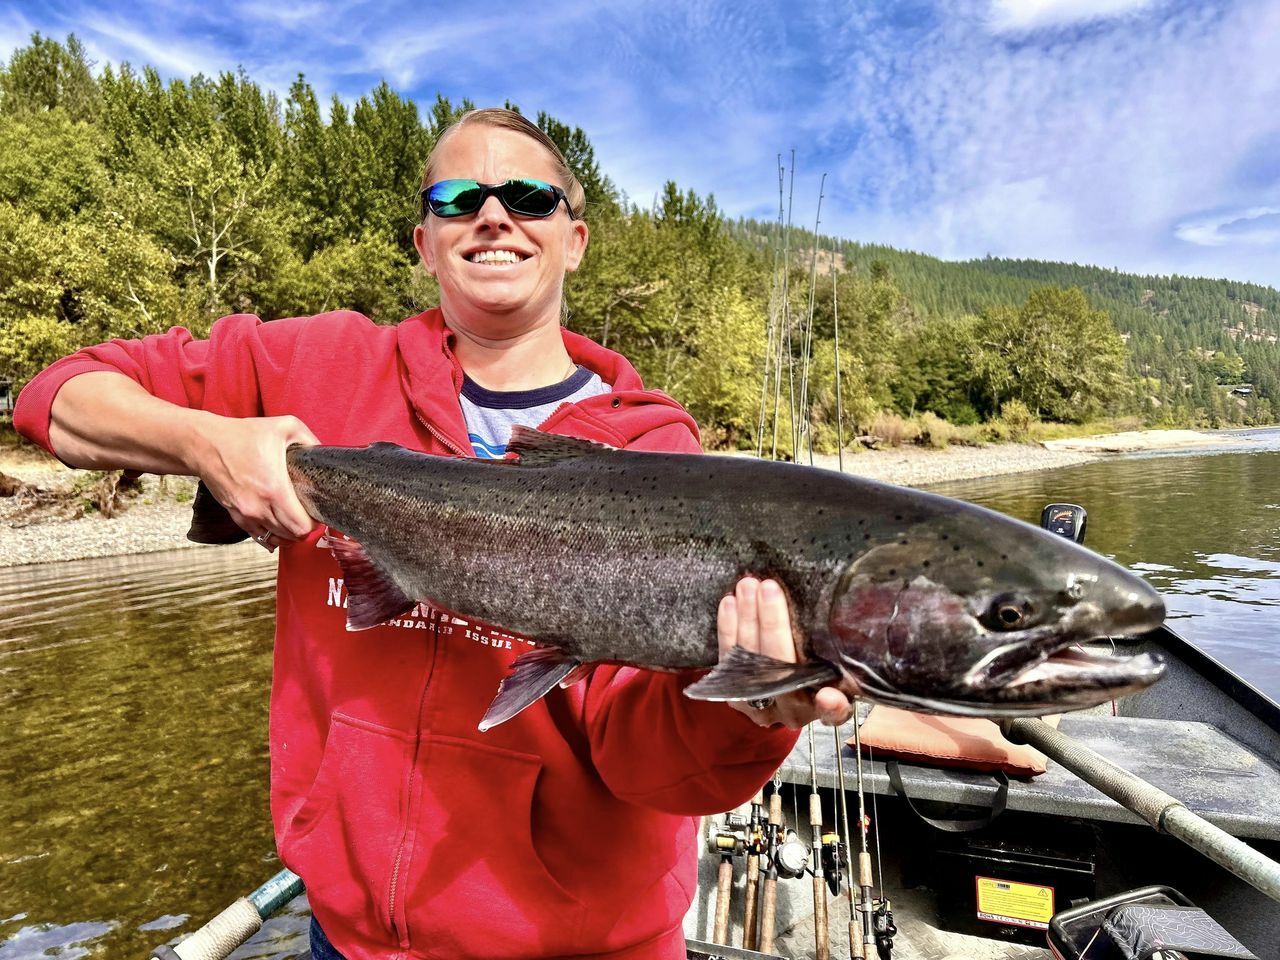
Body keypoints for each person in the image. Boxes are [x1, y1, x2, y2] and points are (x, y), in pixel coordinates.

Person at [14, 108, 851, 960]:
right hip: (349, 941)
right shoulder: (316, 364)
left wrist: (754, 709)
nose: (495, 216)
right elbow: (59, 396)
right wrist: (209, 441)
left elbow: (643, 763)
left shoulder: (652, 454)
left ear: (575, 238)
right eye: (460, 198)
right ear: (424, 241)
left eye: (529, 196)